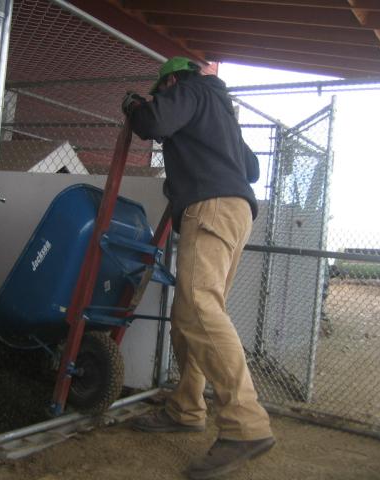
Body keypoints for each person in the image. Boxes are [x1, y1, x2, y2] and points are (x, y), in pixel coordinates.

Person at [121, 57, 275, 480]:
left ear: (171, 79)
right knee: (189, 315)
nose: (162, 95)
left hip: (210, 208)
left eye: (162, 88)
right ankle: (187, 407)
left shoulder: (189, 90)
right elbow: (252, 168)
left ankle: (245, 424)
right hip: (235, 211)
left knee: (200, 309)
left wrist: (134, 104)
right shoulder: (221, 111)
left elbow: (153, 121)